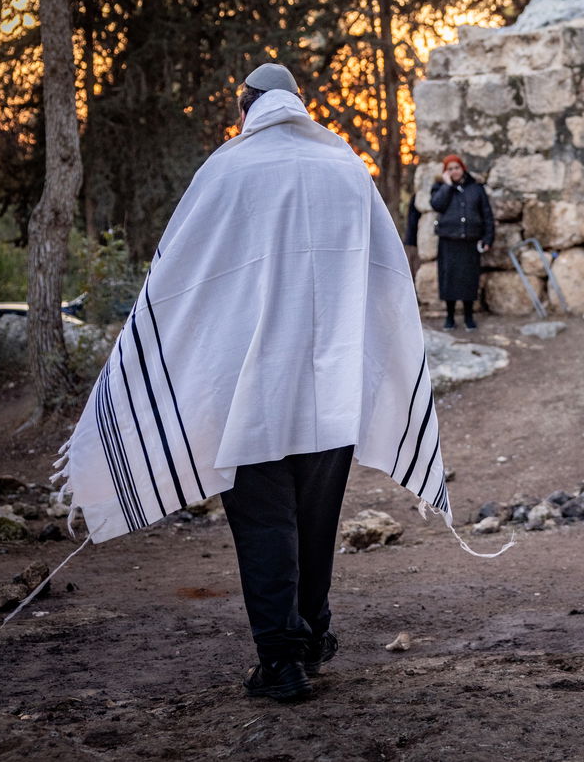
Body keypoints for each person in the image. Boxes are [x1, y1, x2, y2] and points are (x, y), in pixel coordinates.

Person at [54, 62, 451, 704]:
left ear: (248, 105)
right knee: (316, 523)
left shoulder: (226, 170)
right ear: (297, 103)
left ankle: (282, 663)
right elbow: (387, 276)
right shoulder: (347, 169)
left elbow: (179, 276)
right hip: (332, 392)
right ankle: (313, 637)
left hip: (253, 397)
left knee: (267, 527)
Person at [430, 154, 494, 330]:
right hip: (448, 242)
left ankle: (468, 316)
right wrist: (447, 186)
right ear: (445, 172)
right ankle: (450, 317)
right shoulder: (440, 188)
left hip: (469, 242)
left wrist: (488, 238)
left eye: (456, 168)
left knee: (468, 281)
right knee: (448, 281)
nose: (454, 171)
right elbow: (437, 205)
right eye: (450, 169)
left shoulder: (476, 189)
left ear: (463, 168)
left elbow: (487, 215)